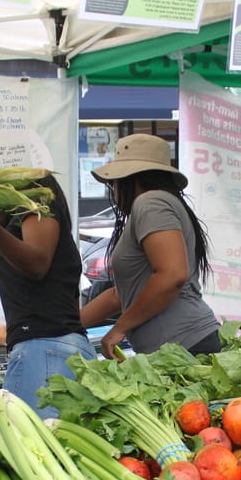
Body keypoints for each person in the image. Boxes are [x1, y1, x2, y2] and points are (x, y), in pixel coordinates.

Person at [0, 174, 96, 417]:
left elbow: (37, 263)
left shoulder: (37, 198)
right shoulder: (26, 216)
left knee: (36, 451)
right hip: (54, 350)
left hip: (45, 352)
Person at [80, 134, 220, 359]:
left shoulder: (151, 203)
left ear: (130, 178)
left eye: (113, 182)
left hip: (185, 347)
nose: (113, 190)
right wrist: (67, 325)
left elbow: (172, 275)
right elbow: (121, 295)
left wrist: (120, 328)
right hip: (181, 347)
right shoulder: (158, 204)